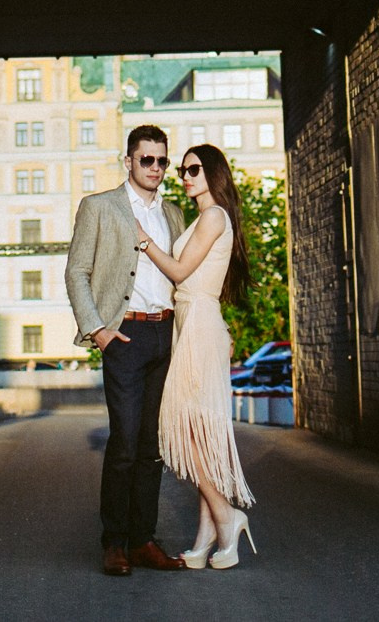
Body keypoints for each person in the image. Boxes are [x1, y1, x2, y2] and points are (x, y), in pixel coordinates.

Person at [65, 124, 188, 576]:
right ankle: (114, 542)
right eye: (146, 160)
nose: (155, 168)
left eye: (162, 161)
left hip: (165, 334)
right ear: (129, 162)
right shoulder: (99, 207)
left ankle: (143, 540)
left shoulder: (173, 214)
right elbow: (77, 272)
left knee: (152, 446)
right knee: (125, 442)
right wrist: (96, 329)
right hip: (125, 337)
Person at [136, 143, 257, 569]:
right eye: (182, 170)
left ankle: (227, 517)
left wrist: (143, 241)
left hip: (199, 324)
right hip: (190, 323)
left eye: (194, 169)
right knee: (200, 432)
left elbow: (180, 271)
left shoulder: (213, 216)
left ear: (214, 173)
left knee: (188, 430)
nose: (184, 176)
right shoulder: (204, 217)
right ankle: (208, 536)